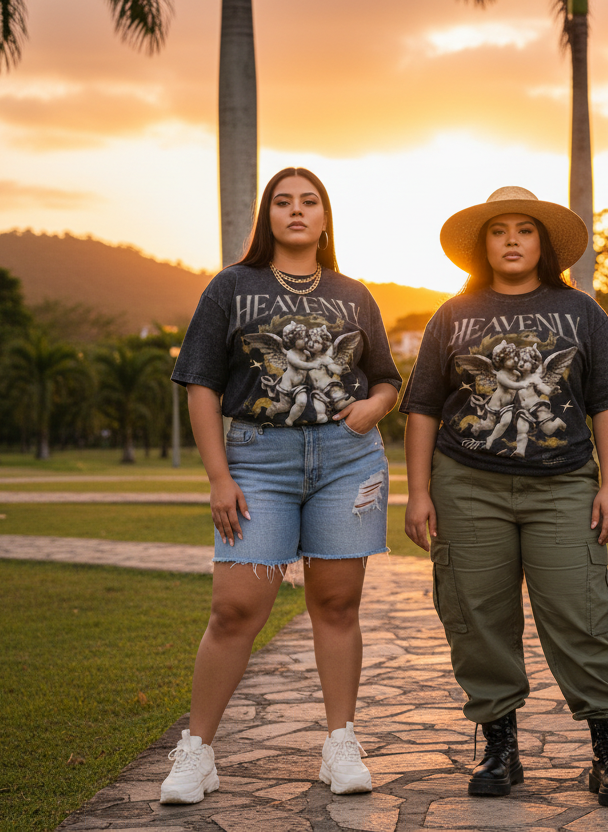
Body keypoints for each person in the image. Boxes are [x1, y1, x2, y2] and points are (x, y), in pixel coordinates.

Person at [161, 167, 402, 803]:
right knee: (235, 606)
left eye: (309, 201)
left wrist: (376, 407)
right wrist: (219, 476)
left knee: (337, 605)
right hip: (255, 460)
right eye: (282, 202)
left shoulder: (355, 294)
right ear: (267, 216)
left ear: (325, 218)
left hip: (347, 459)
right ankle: (198, 751)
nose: (296, 211)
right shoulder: (230, 288)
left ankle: (339, 743)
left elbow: (386, 378)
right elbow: (202, 384)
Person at [401, 187, 608, 807]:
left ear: (544, 244)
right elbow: (423, 407)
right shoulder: (453, 313)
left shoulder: (581, 311)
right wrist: (418, 492)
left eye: (525, 230)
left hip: (563, 484)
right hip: (467, 484)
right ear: (482, 244)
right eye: (499, 230)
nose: (511, 240)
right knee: (476, 614)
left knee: (582, 611)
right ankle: (499, 745)